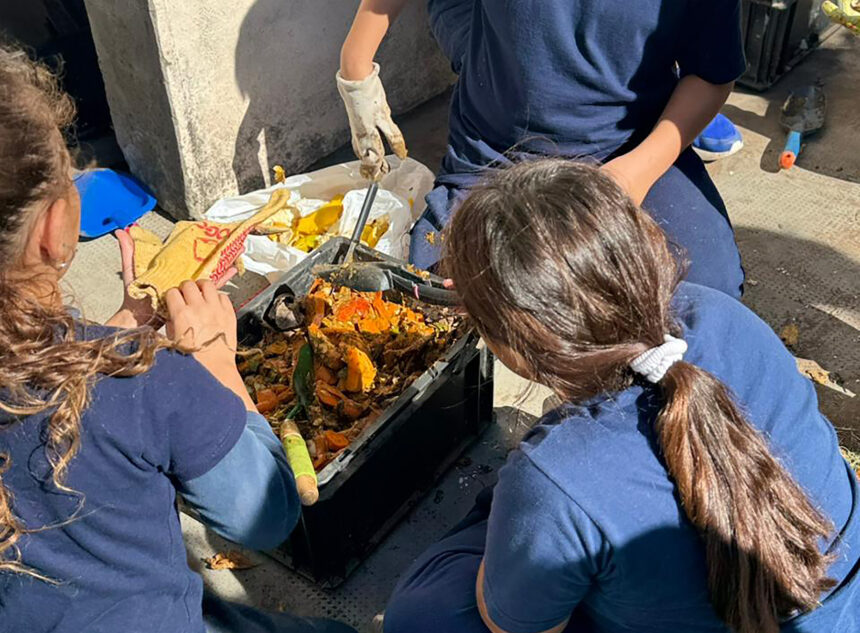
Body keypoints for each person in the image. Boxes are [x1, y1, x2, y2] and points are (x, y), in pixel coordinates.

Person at [382, 159, 859, 633]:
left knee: (425, 612)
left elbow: (514, 626)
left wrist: (521, 509)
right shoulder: (724, 315)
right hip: (840, 600)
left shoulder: (558, 476)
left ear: (516, 343)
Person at [0, 47, 354, 633]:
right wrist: (219, 367)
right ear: (54, 229)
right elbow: (267, 515)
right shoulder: (142, 385)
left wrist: (115, 333)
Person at [337, 0, 747, 298]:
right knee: (443, 295)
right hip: (499, 151)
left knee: (704, 298)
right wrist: (356, 65)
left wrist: (632, 174)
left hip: (627, 145)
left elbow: (710, 74)